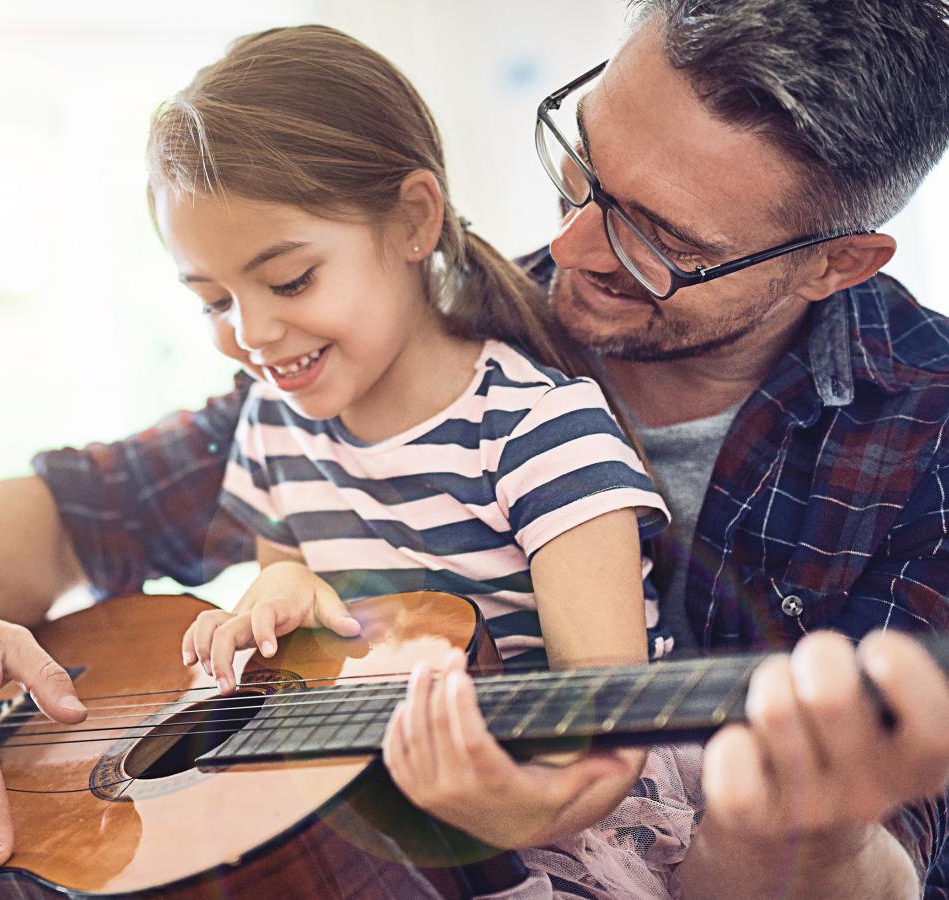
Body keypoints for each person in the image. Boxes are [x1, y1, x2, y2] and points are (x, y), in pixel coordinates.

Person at [0, 1, 949, 898]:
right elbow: (71, 507)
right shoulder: (435, 330)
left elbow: (869, 861)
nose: (569, 242)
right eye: (581, 162)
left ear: (834, 264)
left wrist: (780, 834)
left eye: (659, 237)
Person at [150, 26, 692, 894]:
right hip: (378, 805)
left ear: (413, 220)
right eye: (213, 299)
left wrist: (510, 808)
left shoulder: (541, 433)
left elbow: (604, 728)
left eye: (288, 281)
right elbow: (304, 649)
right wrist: (279, 594)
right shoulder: (272, 423)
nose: (250, 334)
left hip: (563, 816)